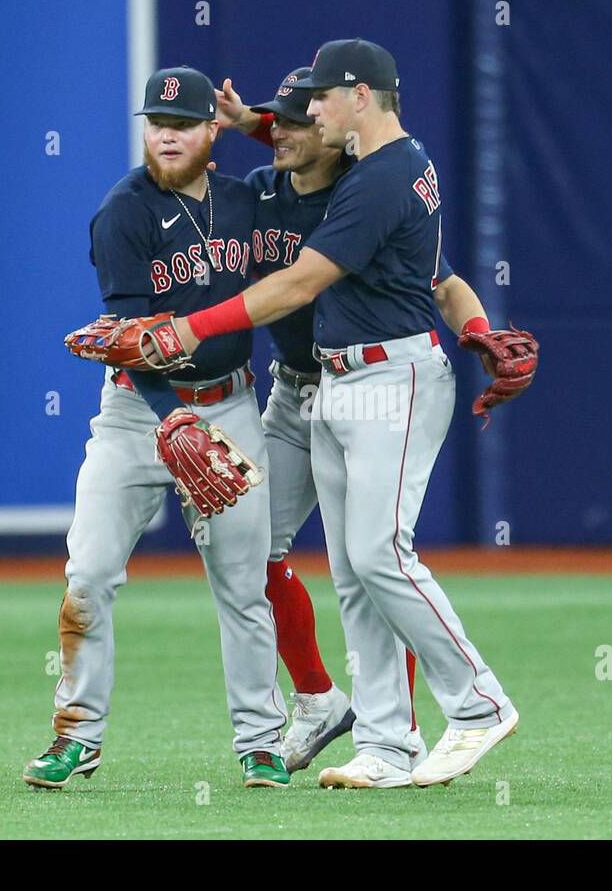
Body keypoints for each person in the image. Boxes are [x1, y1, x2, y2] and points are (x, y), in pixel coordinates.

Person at [149, 40, 524, 788]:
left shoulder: (378, 179)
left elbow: (298, 285)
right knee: (354, 571)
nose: (308, 110)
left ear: (359, 95)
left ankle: (479, 703)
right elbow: (300, 144)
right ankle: (387, 746)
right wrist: (256, 121)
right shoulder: (389, 161)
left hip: (393, 374)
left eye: (320, 97)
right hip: (336, 379)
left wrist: (191, 328)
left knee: (381, 554)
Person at [23, 66, 290, 790]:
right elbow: (129, 338)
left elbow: (326, 165)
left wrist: (257, 120)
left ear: (212, 130)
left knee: (242, 583)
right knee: (89, 574)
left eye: (183, 123)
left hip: (231, 404)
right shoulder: (124, 212)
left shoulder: (248, 200)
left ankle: (262, 742)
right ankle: (77, 734)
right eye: (156, 122)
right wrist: (169, 413)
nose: (166, 133)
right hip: (136, 412)